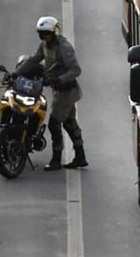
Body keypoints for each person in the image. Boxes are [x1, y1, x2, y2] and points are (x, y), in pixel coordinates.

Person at [13, 16, 87, 170]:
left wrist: (59, 79)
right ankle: (80, 156)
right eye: (42, 34)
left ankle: (56, 159)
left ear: (54, 33)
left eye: (47, 33)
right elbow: (33, 60)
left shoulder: (64, 48)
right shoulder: (44, 46)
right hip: (58, 90)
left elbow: (76, 70)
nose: (45, 36)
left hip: (66, 91)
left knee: (54, 124)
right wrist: (16, 73)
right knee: (69, 122)